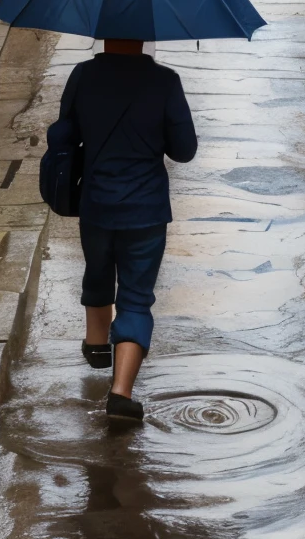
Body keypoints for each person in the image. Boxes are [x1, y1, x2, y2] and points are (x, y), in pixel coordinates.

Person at [51, 36, 197, 421]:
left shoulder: (83, 75)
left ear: (102, 32)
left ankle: (97, 342)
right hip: (146, 209)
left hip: (96, 203)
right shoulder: (165, 81)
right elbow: (184, 150)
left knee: (98, 268)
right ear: (146, 37)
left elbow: (63, 135)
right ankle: (120, 392)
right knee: (135, 295)